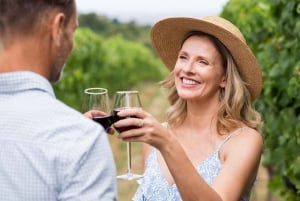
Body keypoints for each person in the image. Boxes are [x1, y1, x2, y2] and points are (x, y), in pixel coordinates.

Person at [112, 16, 264, 201]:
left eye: (203, 62)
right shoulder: (153, 143)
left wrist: (168, 144)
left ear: (224, 78)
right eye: (183, 57)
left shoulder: (243, 141)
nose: (188, 69)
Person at [0, 1, 117, 200]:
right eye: (73, 30)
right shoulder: (82, 142)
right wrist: (74, 133)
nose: (72, 44)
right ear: (57, 27)